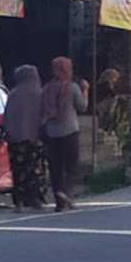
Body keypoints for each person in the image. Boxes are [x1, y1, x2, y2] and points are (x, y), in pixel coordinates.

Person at [41, 57, 89, 212]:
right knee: (71, 166)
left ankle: (58, 201)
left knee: (55, 167)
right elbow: (82, 107)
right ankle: (67, 194)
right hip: (69, 131)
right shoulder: (73, 87)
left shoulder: (47, 88)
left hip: (51, 132)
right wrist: (86, 90)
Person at [4, 65, 47, 211]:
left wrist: (8, 132)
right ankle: (35, 199)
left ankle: (19, 202)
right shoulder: (40, 94)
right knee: (34, 169)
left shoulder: (13, 94)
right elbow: (44, 115)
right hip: (35, 137)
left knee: (18, 170)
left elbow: (7, 116)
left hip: (16, 139)